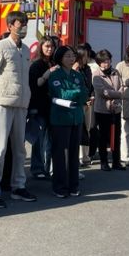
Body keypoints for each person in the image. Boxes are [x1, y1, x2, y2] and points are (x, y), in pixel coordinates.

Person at [0, 11, 36, 208]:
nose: (24, 27)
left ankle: (18, 186)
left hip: (21, 104)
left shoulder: (26, 50)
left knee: (20, 149)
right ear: (10, 25)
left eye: (25, 23)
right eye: (20, 23)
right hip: (2, 103)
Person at [48, 45, 88, 197]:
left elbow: (84, 93)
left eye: (72, 56)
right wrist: (77, 92)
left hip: (76, 118)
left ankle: (73, 185)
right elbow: (61, 94)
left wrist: (77, 93)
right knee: (60, 154)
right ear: (60, 58)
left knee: (73, 153)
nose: (71, 59)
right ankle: (60, 186)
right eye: (67, 56)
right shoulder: (55, 75)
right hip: (60, 119)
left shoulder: (77, 75)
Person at [28, 36, 57, 179]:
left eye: (52, 46)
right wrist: (48, 73)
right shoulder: (36, 64)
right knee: (38, 140)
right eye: (47, 46)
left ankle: (48, 168)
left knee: (50, 141)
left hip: (53, 107)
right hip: (39, 107)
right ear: (41, 47)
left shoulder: (55, 62)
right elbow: (35, 85)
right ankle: (37, 168)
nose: (49, 49)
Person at [92, 49, 124, 171]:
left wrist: (117, 97)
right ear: (99, 63)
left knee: (116, 136)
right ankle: (104, 162)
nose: (107, 64)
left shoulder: (116, 72)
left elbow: (122, 87)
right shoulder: (96, 75)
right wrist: (118, 94)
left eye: (108, 61)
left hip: (116, 109)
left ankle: (116, 162)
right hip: (102, 110)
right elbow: (102, 92)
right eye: (103, 62)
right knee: (103, 137)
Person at [73, 45, 94, 166]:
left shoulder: (88, 69)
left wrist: (92, 96)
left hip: (88, 102)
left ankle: (85, 156)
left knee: (87, 129)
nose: (87, 58)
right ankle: (79, 157)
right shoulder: (74, 69)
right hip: (78, 104)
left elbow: (90, 85)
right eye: (85, 56)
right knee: (78, 130)